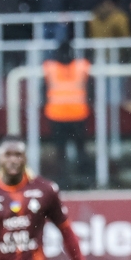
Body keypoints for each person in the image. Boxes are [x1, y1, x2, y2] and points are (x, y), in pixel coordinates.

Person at [42, 41, 92, 185]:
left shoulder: (50, 68)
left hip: (58, 115)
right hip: (76, 114)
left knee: (61, 151)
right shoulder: (81, 66)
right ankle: (83, 179)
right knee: (79, 149)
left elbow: (43, 91)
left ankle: (64, 179)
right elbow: (90, 89)